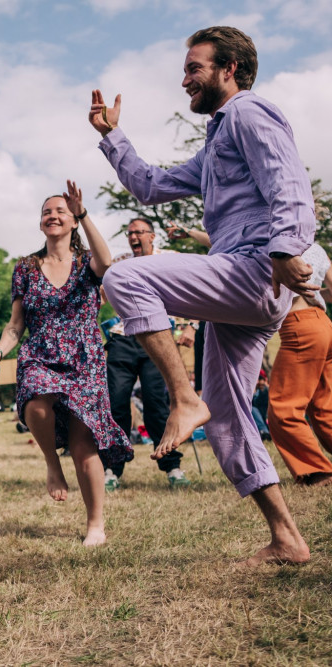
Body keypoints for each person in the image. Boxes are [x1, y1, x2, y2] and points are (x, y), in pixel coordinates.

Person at [90, 26, 316, 565]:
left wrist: (286, 246)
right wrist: (111, 137)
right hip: (238, 287)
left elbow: (288, 180)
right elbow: (151, 186)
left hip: (255, 268)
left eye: (194, 68)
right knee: (230, 418)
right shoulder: (217, 140)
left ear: (228, 69)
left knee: (124, 278)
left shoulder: (247, 113)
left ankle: (182, 397)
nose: (184, 78)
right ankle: (287, 539)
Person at [0, 183, 132, 547]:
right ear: (41, 223)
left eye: (61, 211)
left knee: (83, 445)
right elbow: (15, 324)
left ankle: (95, 525)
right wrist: (0, 350)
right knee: (35, 402)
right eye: (47, 212)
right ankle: (51, 465)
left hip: (84, 357)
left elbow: (106, 265)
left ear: (73, 220)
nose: (53, 216)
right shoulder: (25, 268)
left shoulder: (87, 262)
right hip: (39, 351)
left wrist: (85, 213)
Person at [101, 218, 191, 490]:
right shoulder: (121, 261)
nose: (133, 237)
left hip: (159, 338)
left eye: (139, 232)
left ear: (152, 236)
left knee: (156, 404)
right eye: (130, 233)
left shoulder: (170, 259)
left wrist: (190, 325)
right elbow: (102, 295)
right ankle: (111, 471)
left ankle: (173, 468)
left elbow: (190, 291)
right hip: (122, 337)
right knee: (116, 404)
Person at [268, 244, 332, 487]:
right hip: (324, 323)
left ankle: (317, 472)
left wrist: (189, 233)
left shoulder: (276, 245)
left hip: (300, 328)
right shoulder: (318, 249)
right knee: (325, 407)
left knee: (283, 408)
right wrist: (313, 293)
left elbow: (215, 240)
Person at [251, 370, 271, 440]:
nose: (260, 382)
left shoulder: (268, 390)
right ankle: (264, 432)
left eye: (261, 379)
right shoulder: (256, 391)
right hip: (261, 418)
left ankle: (265, 432)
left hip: (267, 418)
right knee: (253, 409)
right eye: (258, 379)